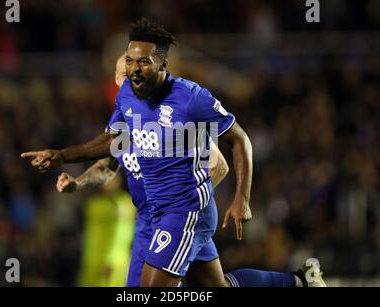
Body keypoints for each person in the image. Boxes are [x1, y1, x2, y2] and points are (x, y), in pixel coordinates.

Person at [22, 18, 326, 287]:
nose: (129, 74)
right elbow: (109, 145)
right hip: (149, 218)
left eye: (140, 64)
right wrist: (63, 155)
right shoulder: (127, 97)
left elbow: (234, 146)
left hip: (182, 212)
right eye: (126, 65)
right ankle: (299, 281)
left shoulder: (190, 100)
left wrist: (238, 200)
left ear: (162, 66)